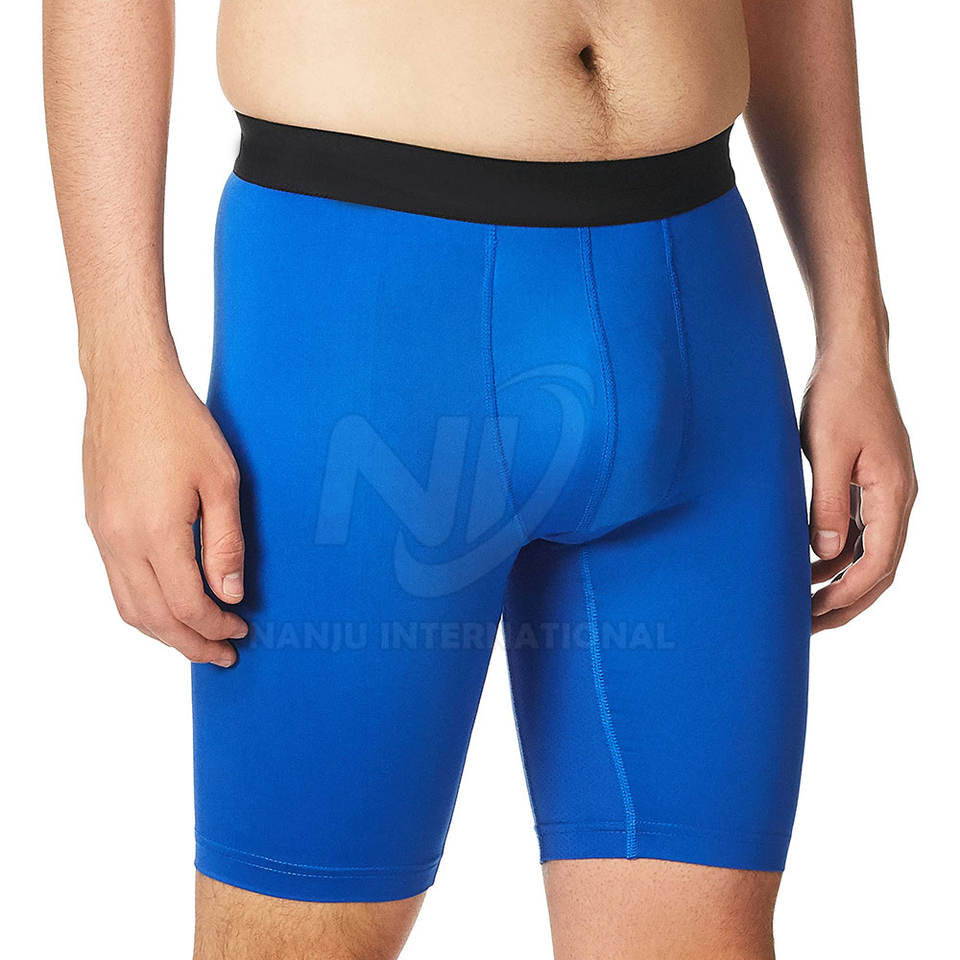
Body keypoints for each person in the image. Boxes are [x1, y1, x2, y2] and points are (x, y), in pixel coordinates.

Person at [43, 0, 917, 957]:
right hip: (365, 315)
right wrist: (121, 371)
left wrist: (856, 332)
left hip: (698, 314)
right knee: (289, 937)